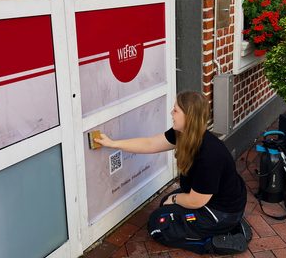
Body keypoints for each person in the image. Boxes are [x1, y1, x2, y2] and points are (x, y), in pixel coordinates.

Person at [94, 91, 251, 255]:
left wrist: (174, 198)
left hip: (220, 211)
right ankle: (228, 227)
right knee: (164, 205)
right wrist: (113, 144)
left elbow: (196, 201)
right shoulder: (184, 134)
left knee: (158, 226)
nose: (171, 113)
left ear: (189, 116)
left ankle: (214, 241)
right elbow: (150, 144)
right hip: (216, 201)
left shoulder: (209, 155)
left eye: (175, 110)